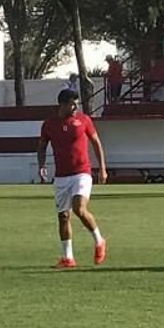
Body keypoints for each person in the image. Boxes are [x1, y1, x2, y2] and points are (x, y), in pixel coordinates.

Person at [38, 89, 109, 269]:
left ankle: (99, 241)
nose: (75, 107)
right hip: (61, 176)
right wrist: (41, 165)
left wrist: (102, 168)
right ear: (62, 105)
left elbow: (96, 142)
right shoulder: (49, 124)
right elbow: (42, 146)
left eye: (76, 103)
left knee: (79, 208)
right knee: (63, 216)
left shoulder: (84, 120)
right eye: (72, 104)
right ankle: (68, 258)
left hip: (81, 173)